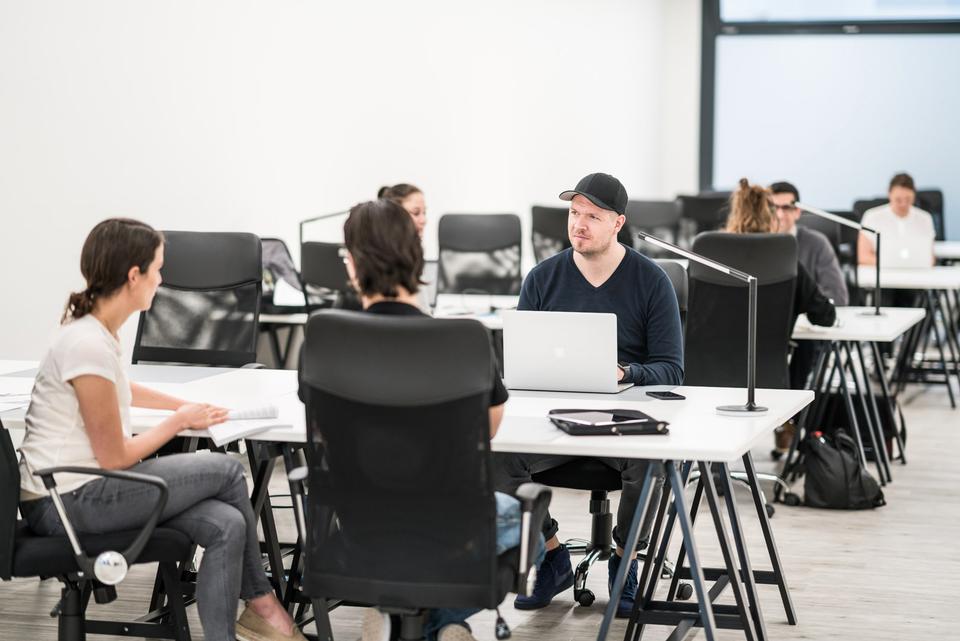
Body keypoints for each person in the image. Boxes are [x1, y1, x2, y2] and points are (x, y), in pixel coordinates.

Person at [17, 218, 305, 641]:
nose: (161, 279)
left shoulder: (95, 332)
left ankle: (239, 627)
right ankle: (264, 605)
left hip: (79, 490)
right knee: (228, 471)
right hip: (67, 502)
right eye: (156, 269)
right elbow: (115, 457)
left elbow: (120, 387)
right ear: (134, 275)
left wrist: (183, 405)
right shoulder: (87, 344)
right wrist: (179, 421)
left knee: (226, 523)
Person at [307, 199, 541, 641]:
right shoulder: (465, 341)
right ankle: (440, 622)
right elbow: (487, 430)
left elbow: (323, 426)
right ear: (418, 259)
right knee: (530, 527)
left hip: (362, 529)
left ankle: (398, 616)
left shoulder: (325, 337)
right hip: (451, 527)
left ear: (352, 265)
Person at [494, 172, 683, 619]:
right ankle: (552, 555)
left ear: (618, 223)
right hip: (554, 419)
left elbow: (672, 369)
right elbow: (520, 364)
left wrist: (627, 372)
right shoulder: (542, 278)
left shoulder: (652, 281)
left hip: (622, 424)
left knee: (650, 462)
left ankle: (624, 558)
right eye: (574, 213)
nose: (578, 224)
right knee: (496, 454)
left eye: (593, 216)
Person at [769, 181, 848, 306]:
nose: (779, 215)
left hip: (806, 316)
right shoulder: (754, 244)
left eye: (786, 208)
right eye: (773, 208)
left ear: (797, 212)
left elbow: (837, 296)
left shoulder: (818, 243)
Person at [858, 172, 935, 267]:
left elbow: (930, 258)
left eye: (908, 199)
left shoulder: (925, 219)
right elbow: (862, 256)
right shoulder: (872, 217)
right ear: (889, 194)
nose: (903, 204)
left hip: (917, 272)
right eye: (898, 200)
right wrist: (891, 263)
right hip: (883, 272)